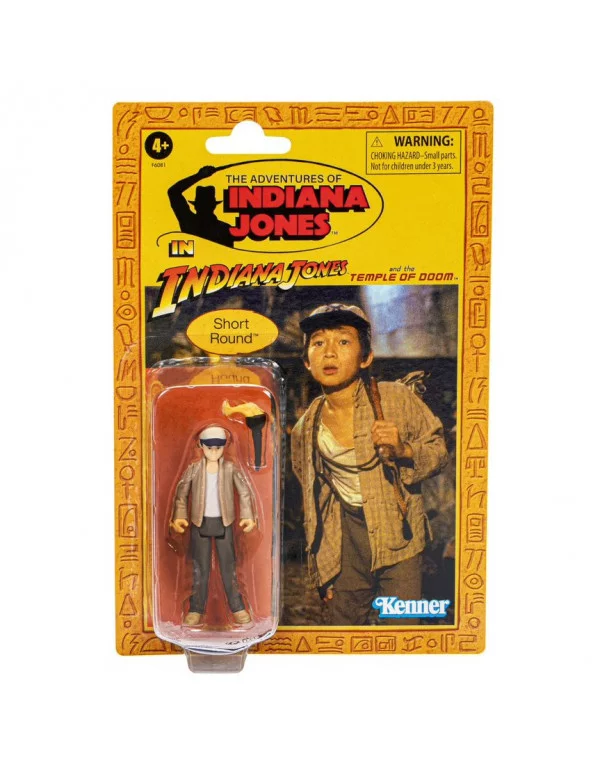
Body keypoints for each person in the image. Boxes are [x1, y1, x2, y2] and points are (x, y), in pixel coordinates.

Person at [291, 303, 448, 625]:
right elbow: (314, 497)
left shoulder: (395, 399)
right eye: (318, 343)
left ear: (366, 357)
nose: (329, 352)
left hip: (399, 535)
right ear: (307, 361)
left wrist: (404, 449)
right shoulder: (305, 428)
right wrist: (323, 564)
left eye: (343, 341)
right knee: (343, 628)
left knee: (401, 629)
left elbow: (438, 451)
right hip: (345, 537)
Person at [170, 425, 256, 626]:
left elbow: (244, 492)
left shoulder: (230, 469)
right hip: (199, 523)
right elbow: (181, 493)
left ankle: (237, 607)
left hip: (224, 523)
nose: (214, 451)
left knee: (229, 568)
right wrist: (179, 517)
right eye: (210, 447)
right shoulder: (194, 469)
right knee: (200, 569)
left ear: (225, 447)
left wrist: (248, 516)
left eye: (219, 447)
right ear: (201, 446)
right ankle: (196, 609)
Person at [167, 165, 235, 247]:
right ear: (214, 206)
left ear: (195, 206)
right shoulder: (225, 228)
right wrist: (199, 175)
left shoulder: (188, 221)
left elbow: (173, 192)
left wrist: (199, 176)